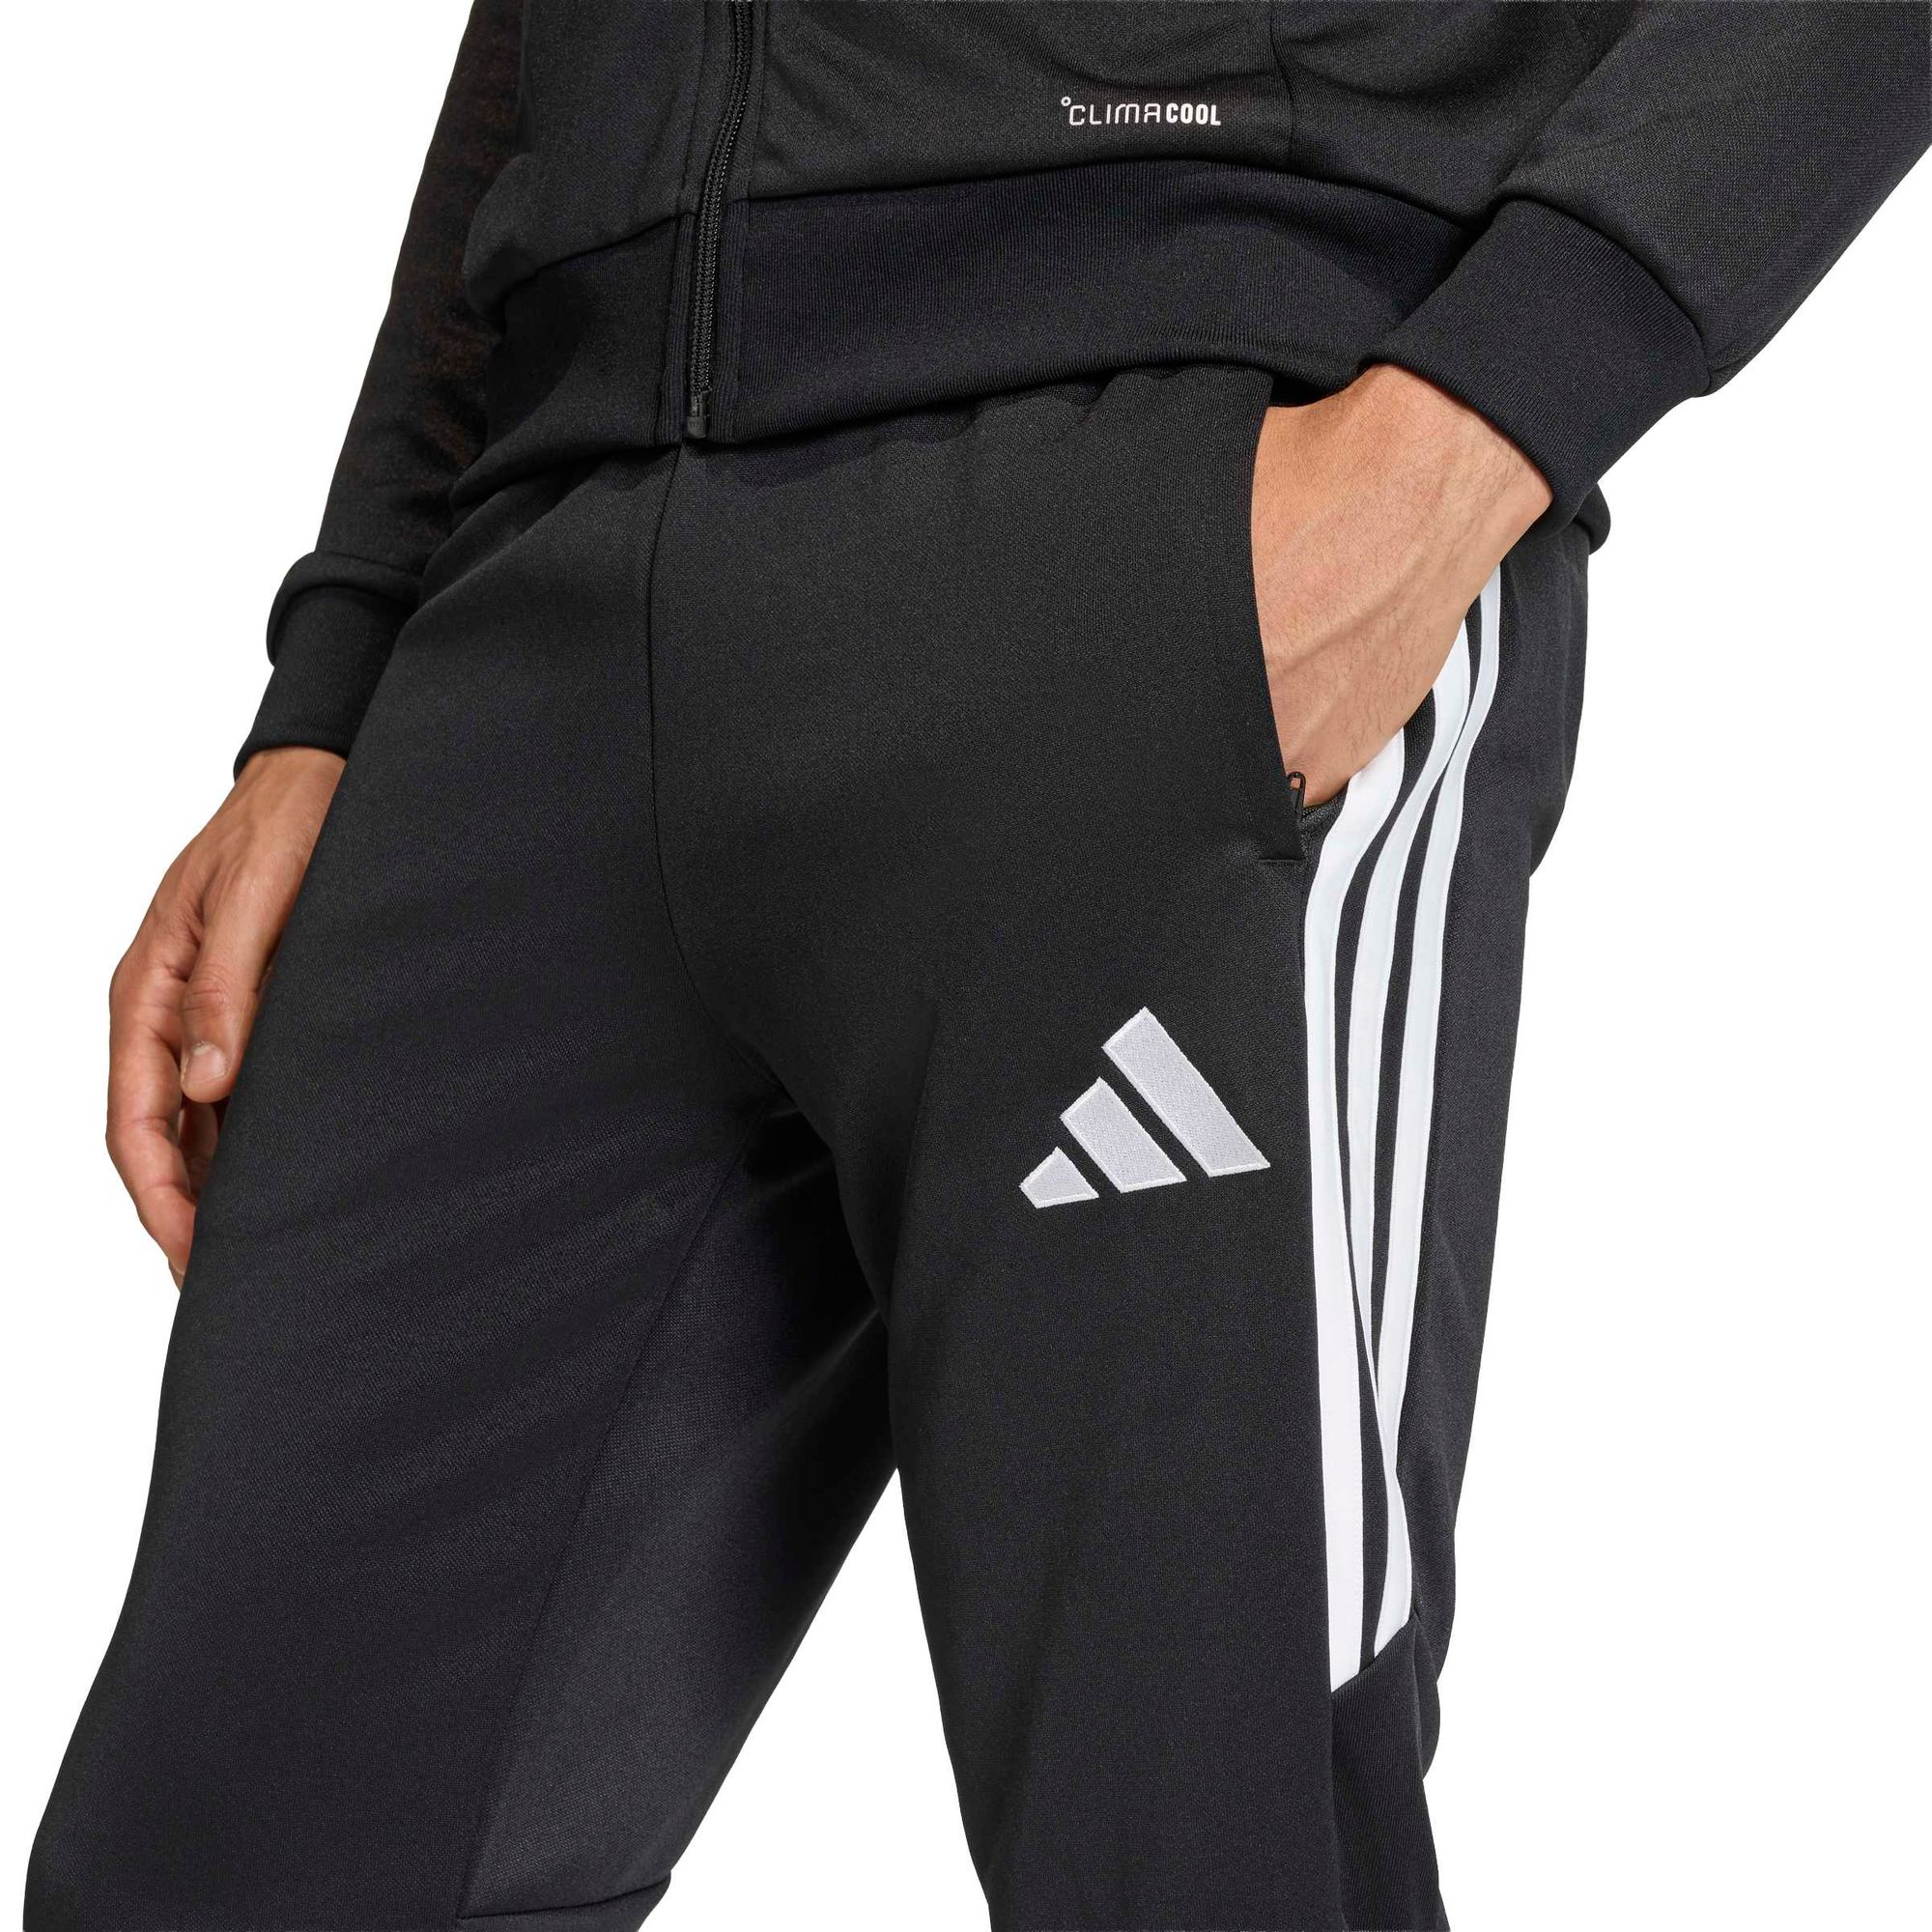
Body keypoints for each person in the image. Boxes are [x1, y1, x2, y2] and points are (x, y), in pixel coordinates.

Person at [27, 6, 1928, 1929]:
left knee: (1201, 1847)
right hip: (540, 599)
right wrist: (339, 670)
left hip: (1166, 528)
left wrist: (1480, 417)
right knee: (219, 1868)